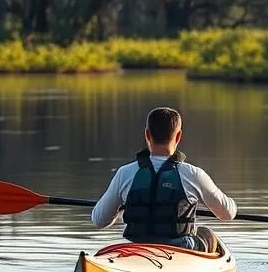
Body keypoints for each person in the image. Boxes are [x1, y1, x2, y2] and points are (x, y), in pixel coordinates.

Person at [91, 106, 237, 251]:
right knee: (206, 234)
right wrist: (232, 204)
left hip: (137, 248)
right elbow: (227, 214)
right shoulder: (193, 174)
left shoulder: (125, 173)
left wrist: (121, 207)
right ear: (178, 136)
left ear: (147, 135)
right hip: (180, 250)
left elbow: (99, 221)